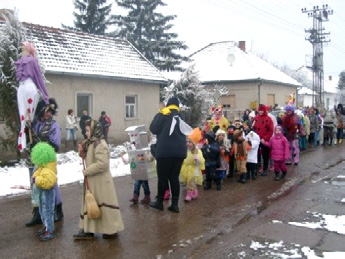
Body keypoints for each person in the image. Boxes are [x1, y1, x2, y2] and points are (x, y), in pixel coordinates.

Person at [74, 119, 124, 240]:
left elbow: (102, 164)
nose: (86, 133)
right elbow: (88, 156)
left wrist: (87, 171)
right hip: (94, 181)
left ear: (94, 130)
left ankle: (110, 230)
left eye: (87, 130)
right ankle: (89, 230)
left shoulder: (100, 144)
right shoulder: (91, 142)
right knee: (93, 205)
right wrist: (82, 152)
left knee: (103, 206)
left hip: (101, 182)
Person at [25, 98, 64, 227]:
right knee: (35, 185)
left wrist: (40, 143)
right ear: (41, 110)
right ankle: (37, 213)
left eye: (51, 111)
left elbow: (56, 146)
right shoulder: (34, 123)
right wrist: (27, 133)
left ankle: (57, 210)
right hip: (34, 159)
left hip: (47, 161)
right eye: (47, 111)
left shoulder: (54, 125)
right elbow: (28, 140)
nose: (49, 114)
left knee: (50, 183)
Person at [149, 97, 190, 213]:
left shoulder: (163, 113)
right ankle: (175, 205)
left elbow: (153, 129)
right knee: (174, 177)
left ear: (167, 104)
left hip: (165, 151)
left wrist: (159, 114)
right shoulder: (181, 116)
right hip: (180, 152)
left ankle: (159, 203)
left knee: (162, 177)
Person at [15, 41, 50, 152]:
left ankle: (30, 138)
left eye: (24, 49)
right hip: (21, 87)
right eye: (22, 49)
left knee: (29, 116)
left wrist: (45, 95)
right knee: (22, 116)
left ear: (29, 49)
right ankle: (22, 140)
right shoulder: (20, 62)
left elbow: (38, 78)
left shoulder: (32, 61)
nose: (22, 51)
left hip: (29, 87)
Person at [31, 142, 57, 241]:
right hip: (43, 193)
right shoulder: (42, 167)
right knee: (43, 211)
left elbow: (48, 182)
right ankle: (46, 227)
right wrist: (35, 177)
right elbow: (36, 173)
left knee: (47, 212)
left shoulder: (49, 170)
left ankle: (49, 230)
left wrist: (36, 180)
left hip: (48, 193)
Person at [180, 128, 205, 201]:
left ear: (194, 143)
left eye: (190, 142)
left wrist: (197, 160)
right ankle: (195, 192)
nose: (188, 144)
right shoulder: (186, 150)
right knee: (190, 182)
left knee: (190, 182)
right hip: (186, 168)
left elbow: (201, 160)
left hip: (194, 169)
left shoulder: (197, 151)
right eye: (187, 142)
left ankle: (189, 194)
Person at [252, 104, 274, 176]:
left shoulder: (268, 119)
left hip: (264, 140)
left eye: (262, 110)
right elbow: (253, 129)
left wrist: (264, 138)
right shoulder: (256, 118)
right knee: (255, 155)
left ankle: (265, 169)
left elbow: (270, 130)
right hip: (256, 139)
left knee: (265, 155)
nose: (261, 112)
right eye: (260, 110)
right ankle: (255, 169)